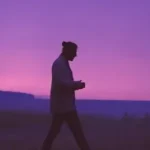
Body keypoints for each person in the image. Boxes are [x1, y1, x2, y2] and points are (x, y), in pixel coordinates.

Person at [41, 41, 91, 150]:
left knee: (55, 132)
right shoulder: (59, 64)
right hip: (64, 107)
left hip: (63, 106)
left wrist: (75, 84)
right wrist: (77, 85)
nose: (75, 55)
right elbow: (62, 84)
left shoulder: (60, 63)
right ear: (67, 51)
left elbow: (63, 83)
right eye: (74, 52)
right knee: (77, 133)